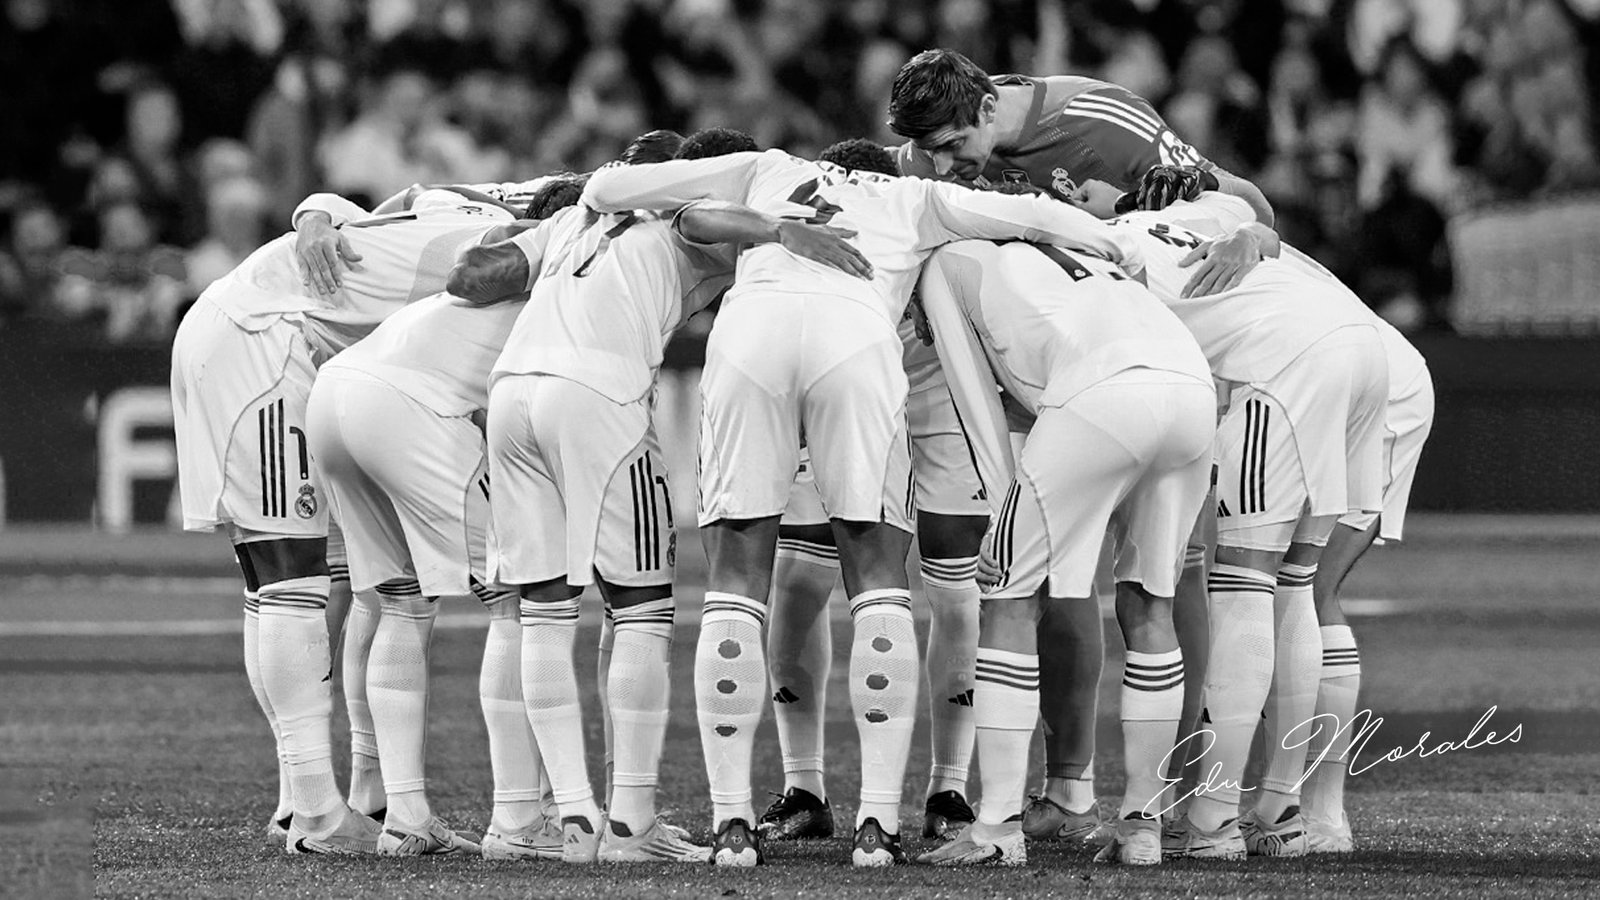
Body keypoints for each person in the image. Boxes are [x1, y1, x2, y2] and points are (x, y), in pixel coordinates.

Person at [580, 133, 1145, 867]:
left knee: (737, 576)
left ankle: (731, 826)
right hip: (856, 342)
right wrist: (1120, 246)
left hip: (752, 335)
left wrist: (605, 195)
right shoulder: (912, 197)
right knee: (879, 578)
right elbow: (1041, 218)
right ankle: (877, 823)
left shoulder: (771, 168)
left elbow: (615, 191)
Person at [884, 47, 1278, 838]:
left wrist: (1256, 235)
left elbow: (1245, 204)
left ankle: (1203, 793)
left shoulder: (1103, 124)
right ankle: (1082, 796)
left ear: (989, 108)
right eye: (927, 152)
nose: (939, 166)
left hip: (1152, 352)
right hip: (1072, 373)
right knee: (1089, 587)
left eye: (954, 148)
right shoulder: (928, 157)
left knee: (1166, 583)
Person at [462, 151, 870, 865]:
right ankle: (629, 825)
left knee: (543, 610)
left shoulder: (581, 219)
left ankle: (560, 819)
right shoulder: (696, 211)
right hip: (597, 393)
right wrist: (779, 230)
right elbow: (699, 216)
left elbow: (473, 274)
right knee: (643, 609)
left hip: (512, 392)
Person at [170, 185, 523, 855]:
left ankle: (321, 800)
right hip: (267, 342)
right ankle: (317, 814)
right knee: (290, 582)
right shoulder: (524, 248)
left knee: (305, 581)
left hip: (269, 334)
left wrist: (314, 215)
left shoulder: (473, 201)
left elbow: (348, 202)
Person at [1066, 180, 1389, 859]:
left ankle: (1213, 824)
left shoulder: (1107, 247)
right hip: (1363, 345)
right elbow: (1261, 219)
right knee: (1296, 582)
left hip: (1282, 363)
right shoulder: (1207, 210)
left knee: (1244, 584)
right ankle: (1283, 811)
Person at [911, 237, 1215, 867]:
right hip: (1190, 392)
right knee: (1151, 604)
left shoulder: (939, 262)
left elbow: (975, 405)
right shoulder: (1061, 251)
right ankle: (1143, 826)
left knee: (1009, 601)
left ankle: (994, 829)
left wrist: (1002, 520)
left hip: (1099, 395)